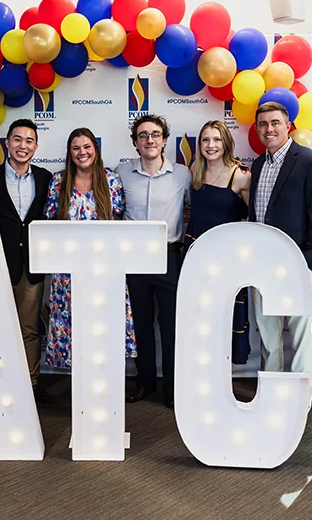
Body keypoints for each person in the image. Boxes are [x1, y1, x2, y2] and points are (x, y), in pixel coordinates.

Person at [248, 102, 312, 405]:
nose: (269, 129)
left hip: (296, 263)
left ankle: (300, 399)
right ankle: (272, 393)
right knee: (269, 335)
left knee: (299, 334)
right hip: (261, 264)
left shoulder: (310, 162)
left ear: (288, 126)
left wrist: (309, 262)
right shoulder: (258, 164)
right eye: (263, 125)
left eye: (275, 123)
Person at [0, 119, 54, 403]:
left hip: (31, 267)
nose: (23, 145)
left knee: (29, 328)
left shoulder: (46, 178)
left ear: (36, 146)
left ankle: (30, 384)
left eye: (29, 140)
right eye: (17, 139)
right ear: (7, 143)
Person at [115, 114, 191, 409]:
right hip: (133, 260)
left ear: (164, 140)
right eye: (144, 135)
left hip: (170, 257)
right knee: (140, 324)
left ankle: (172, 388)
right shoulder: (121, 172)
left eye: (156, 134)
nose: (150, 140)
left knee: (170, 326)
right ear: (135, 142)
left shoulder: (182, 174)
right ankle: (145, 382)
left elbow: (191, 209)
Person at [43, 128, 135, 370]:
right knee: (74, 326)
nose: (81, 152)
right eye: (75, 148)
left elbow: (119, 221)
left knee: (103, 324)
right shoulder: (58, 181)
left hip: (105, 269)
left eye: (86, 147)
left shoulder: (111, 180)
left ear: (96, 149)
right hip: (67, 273)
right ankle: (80, 384)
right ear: (69, 152)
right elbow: (50, 223)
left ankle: (104, 377)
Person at [184, 120, 251, 365]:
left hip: (226, 257)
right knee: (200, 315)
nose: (210, 145)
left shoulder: (241, 175)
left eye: (216, 139)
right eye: (205, 140)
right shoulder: (194, 171)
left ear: (226, 143)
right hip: (195, 252)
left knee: (225, 314)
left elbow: (254, 219)